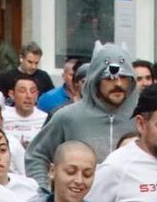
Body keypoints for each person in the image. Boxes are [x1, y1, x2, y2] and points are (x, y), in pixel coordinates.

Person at [25, 43, 138, 187]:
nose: (118, 84)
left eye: (124, 77)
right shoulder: (68, 117)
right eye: (109, 78)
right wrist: (43, 192)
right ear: (96, 79)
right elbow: (36, 155)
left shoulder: (142, 118)